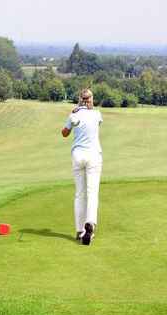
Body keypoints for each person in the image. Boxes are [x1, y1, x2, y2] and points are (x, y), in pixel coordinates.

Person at [61, 89, 103, 245]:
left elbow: (64, 133)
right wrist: (81, 108)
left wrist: (73, 116)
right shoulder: (97, 114)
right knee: (92, 192)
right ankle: (90, 224)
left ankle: (79, 230)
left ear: (79, 99)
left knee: (80, 193)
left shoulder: (74, 115)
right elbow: (95, 119)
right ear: (91, 99)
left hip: (77, 156)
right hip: (93, 156)